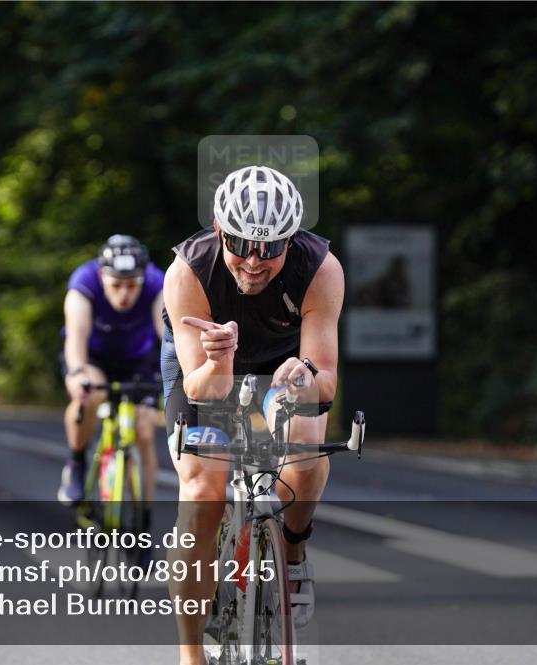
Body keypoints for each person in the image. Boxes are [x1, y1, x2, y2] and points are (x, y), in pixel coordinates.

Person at [161, 165, 344, 664]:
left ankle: (294, 549)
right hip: (208, 365)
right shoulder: (189, 272)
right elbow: (202, 387)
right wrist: (218, 358)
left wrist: (306, 376)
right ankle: (191, 651)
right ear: (220, 231)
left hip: (283, 365)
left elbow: (325, 375)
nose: (255, 262)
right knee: (202, 490)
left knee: (307, 444)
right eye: (241, 244)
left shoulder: (320, 268)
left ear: (292, 239)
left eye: (271, 248)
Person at [57, 235, 165, 513]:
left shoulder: (156, 282)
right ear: (102, 276)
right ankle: (77, 461)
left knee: (143, 429)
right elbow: (76, 336)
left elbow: (167, 335)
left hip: (139, 360)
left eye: (132, 285)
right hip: (94, 358)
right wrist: (78, 373)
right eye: (116, 285)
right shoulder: (84, 281)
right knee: (88, 394)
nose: (124, 294)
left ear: (143, 277)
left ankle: (143, 521)